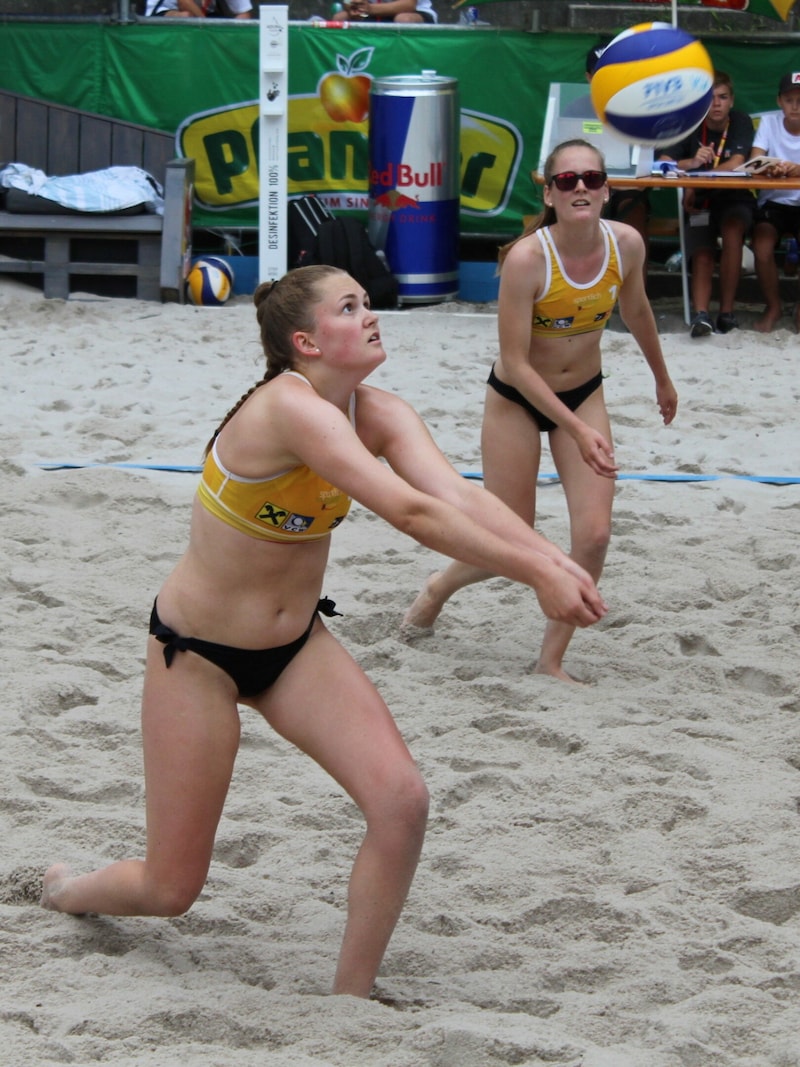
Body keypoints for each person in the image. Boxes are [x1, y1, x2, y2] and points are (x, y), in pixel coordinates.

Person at [41, 265, 606, 998]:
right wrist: (537, 576)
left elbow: (459, 498)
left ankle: (352, 997)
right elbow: (411, 516)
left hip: (295, 648)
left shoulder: (380, 412)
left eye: (368, 301)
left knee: (402, 801)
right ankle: (66, 890)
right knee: (171, 887)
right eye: (350, 306)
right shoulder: (291, 408)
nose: (371, 314)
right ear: (306, 341)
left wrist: (553, 559)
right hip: (199, 655)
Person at [403, 139, 678, 684]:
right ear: (549, 192)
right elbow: (516, 364)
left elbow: (637, 308)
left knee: (595, 535)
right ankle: (438, 587)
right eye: (568, 180)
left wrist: (662, 378)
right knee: (509, 538)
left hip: (586, 391)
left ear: (608, 189)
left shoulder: (626, 244)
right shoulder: (527, 258)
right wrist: (574, 430)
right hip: (517, 402)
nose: (581, 188)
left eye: (592, 179)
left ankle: (550, 660)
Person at [658, 71, 755, 338]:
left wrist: (695, 182)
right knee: (702, 252)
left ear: (732, 101)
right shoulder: (688, 123)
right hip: (700, 201)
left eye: (722, 97)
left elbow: (736, 164)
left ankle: (727, 313)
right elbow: (663, 161)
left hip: (732, 197)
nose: (717, 104)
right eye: (709, 99)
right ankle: (701, 316)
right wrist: (692, 163)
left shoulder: (740, 121)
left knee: (733, 230)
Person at [748, 72, 800, 333]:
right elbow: (755, 161)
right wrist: (772, 169)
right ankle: (774, 306)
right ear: (779, 101)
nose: (796, 106)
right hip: (774, 205)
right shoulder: (769, 123)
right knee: (762, 247)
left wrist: (796, 169)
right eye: (790, 99)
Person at [331, 0, 437, 23]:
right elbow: (348, 2)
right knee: (340, 19)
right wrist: (352, 7)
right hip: (369, 12)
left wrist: (370, 9)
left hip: (415, 12)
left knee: (404, 19)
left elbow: (408, 5)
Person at [145, 0, 252, 17]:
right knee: (186, 17)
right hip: (162, 13)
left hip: (204, 16)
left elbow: (244, 12)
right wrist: (207, 28)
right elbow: (184, 2)